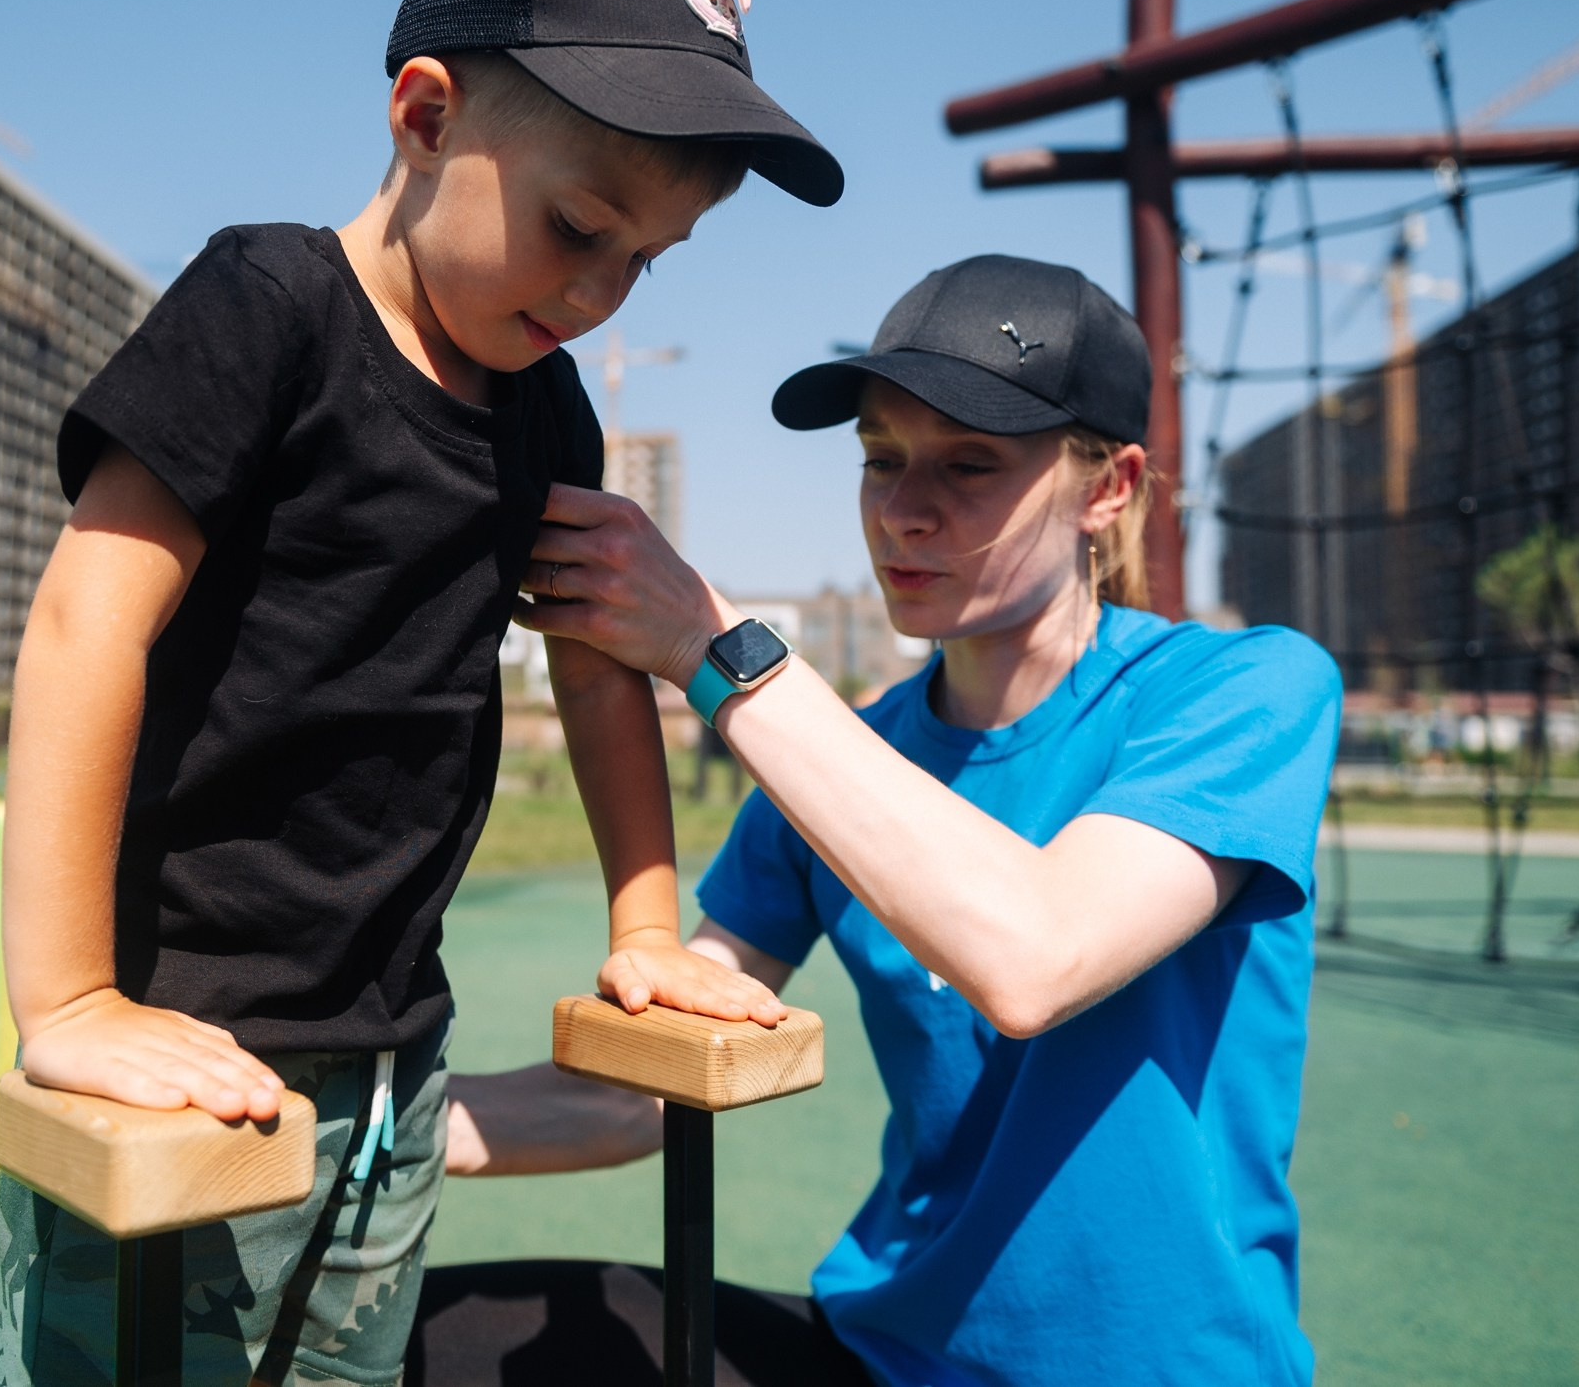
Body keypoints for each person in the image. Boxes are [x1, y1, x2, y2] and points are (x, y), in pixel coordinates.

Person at [0, 0, 842, 1383]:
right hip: (178, 1047)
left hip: (396, 1067)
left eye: (643, 261)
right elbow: (83, 620)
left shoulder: (546, 411)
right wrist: (70, 1001)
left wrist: (646, 925)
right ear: (426, 113)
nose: (596, 292)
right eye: (579, 224)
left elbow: (593, 668)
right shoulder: (266, 308)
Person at [446, 256, 1343, 1385]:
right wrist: (360, 1129)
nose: (902, 512)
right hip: (882, 1351)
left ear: (1107, 488)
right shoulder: (840, 762)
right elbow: (637, 1095)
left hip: (1155, 1367)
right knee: (447, 1337)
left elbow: (1034, 958)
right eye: (880, 460)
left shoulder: (1241, 689)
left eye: (968, 465)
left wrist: (716, 651)